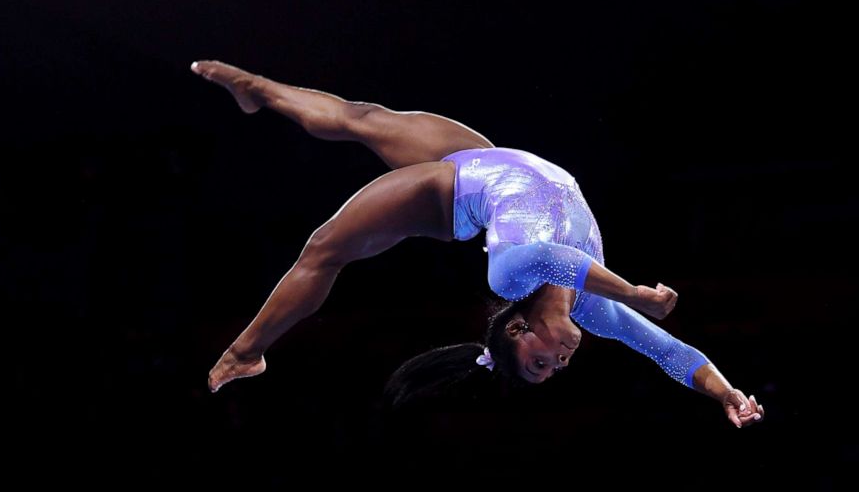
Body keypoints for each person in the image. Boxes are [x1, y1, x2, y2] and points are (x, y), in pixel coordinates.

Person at [193, 60, 765, 429]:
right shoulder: (589, 307)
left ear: (518, 329)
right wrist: (726, 394)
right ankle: (258, 90)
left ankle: (245, 352)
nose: (562, 361)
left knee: (324, 249)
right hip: (493, 159)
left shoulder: (509, 280)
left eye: (540, 361)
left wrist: (634, 292)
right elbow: (668, 352)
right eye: (555, 368)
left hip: (451, 193)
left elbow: (556, 258)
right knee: (361, 117)